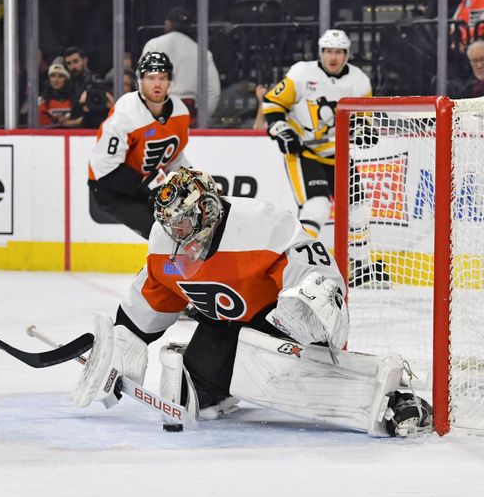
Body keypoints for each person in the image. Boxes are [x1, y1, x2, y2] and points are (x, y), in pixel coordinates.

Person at [71, 167, 433, 438]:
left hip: (275, 323)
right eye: (170, 225)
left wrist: (310, 307)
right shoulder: (166, 245)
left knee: (285, 369)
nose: (175, 234)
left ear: (207, 210)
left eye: (182, 223)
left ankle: (391, 402)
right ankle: (232, 384)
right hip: (224, 328)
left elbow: (320, 278)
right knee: (193, 396)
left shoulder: (261, 225)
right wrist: (122, 347)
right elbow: (150, 298)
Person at [263, 29, 388, 287]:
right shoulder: (301, 73)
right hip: (305, 154)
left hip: (338, 155)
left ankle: (361, 267)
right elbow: (273, 105)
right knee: (317, 208)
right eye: (329, 51)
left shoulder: (359, 81)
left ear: (347, 54)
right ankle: (300, 268)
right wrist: (282, 131)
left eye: (339, 51)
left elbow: (362, 119)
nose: (333, 57)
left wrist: (364, 132)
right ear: (320, 53)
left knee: (358, 211)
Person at [87, 51, 190, 239]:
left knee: (187, 226)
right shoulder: (126, 112)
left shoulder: (180, 111)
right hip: (110, 186)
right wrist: (146, 184)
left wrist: (190, 179)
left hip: (146, 182)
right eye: (151, 78)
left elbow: (174, 158)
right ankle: (159, 268)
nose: (157, 84)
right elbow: (103, 166)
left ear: (170, 81)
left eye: (162, 77)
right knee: (161, 233)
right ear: (140, 81)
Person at [141, 7, 221, 126]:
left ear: (168, 24)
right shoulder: (202, 52)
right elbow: (214, 92)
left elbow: (143, 82)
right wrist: (202, 119)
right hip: (188, 112)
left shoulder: (154, 45)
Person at [63, 46, 114, 128]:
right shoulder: (71, 84)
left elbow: (99, 113)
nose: (72, 67)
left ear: (85, 61)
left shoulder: (96, 83)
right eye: (69, 63)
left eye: (76, 61)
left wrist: (75, 122)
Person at [38, 62, 73, 127]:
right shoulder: (42, 101)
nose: (56, 80)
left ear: (66, 79)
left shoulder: (74, 99)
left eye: (60, 76)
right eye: (53, 76)